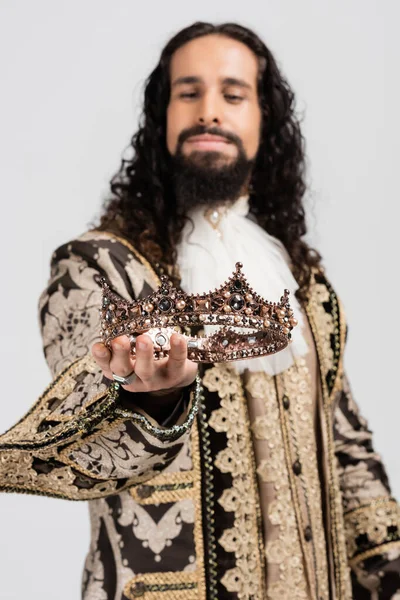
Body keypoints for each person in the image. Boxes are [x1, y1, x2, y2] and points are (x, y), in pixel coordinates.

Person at [0, 21, 399, 600]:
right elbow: (79, 435)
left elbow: (348, 457)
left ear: (266, 122)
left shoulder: (307, 287)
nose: (209, 110)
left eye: (233, 95)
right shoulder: (97, 266)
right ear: (162, 118)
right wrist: (153, 396)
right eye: (188, 93)